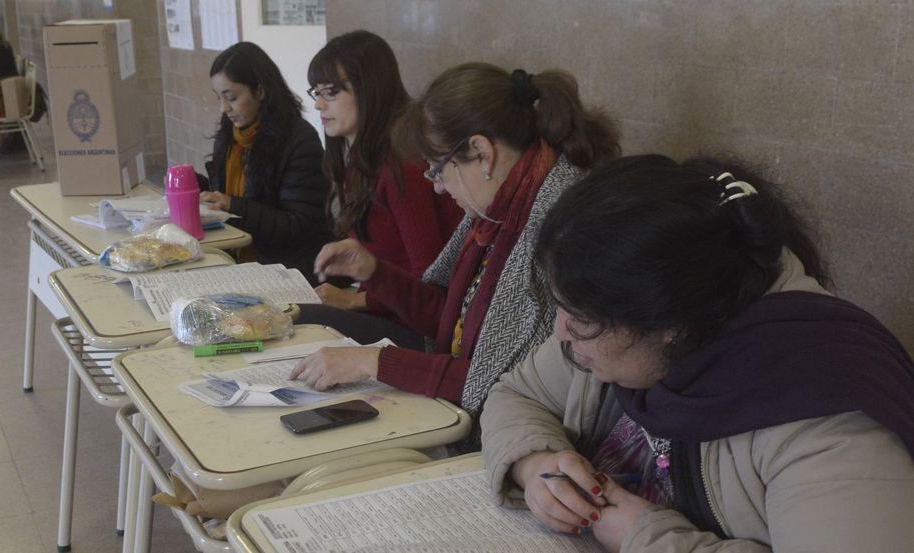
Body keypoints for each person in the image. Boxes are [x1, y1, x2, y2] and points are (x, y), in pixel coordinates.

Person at [480, 155, 914, 551]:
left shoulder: (829, 422)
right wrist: (535, 464)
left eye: (580, 317)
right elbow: (516, 395)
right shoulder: (624, 333)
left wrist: (646, 537)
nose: (561, 331)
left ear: (671, 326)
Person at [290, 62, 621, 424]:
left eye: (437, 169)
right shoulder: (497, 209)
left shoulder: (557, 223)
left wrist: (374, 362)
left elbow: (505, 384)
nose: (437, 187)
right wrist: (375, 273)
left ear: (481, 152)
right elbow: (447, 319)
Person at [296, 30, 462, 347]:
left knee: (300, 320)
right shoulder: (361, 155)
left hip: (419, 330)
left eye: (330, 93)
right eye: (315, 92)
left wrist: (356, 302)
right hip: (383, 309)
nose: (318, 104)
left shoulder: (403, 165)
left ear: (368, 90)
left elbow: (428, 285)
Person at [199, 42, 331, 281]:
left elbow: (297, 225)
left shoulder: (299, 141)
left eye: (231, 97)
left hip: (288, 269)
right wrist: (198, 188)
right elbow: (226, 193)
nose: (224, 108)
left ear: (260, 90)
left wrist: (232, 205)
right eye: (219, 97)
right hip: (237, 257)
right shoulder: (231, 133)